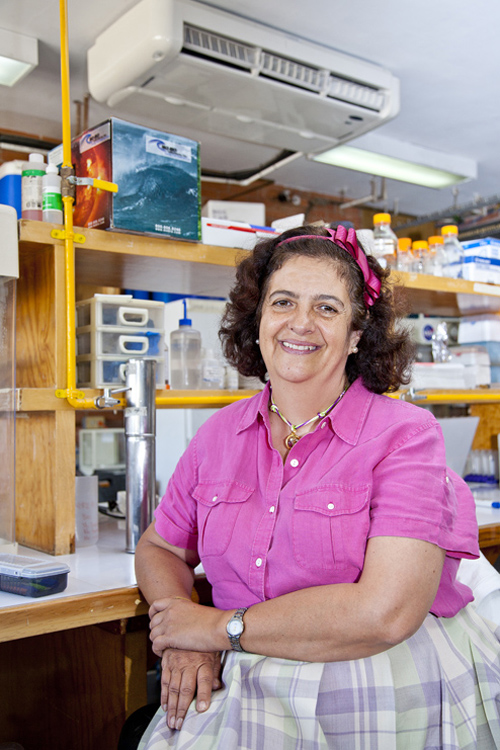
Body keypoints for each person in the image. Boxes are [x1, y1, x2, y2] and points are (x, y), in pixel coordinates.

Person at [135, 224, 500, 749]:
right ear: (258, 320)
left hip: (377, 683)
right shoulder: (217, 435)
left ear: (356, 335)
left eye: (327, 308)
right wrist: (182, 633)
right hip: (246, 682)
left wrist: (214, 629)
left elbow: (387, 613)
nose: (300, 323)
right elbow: (160, 547)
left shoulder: (406, 434)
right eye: (282, 302)